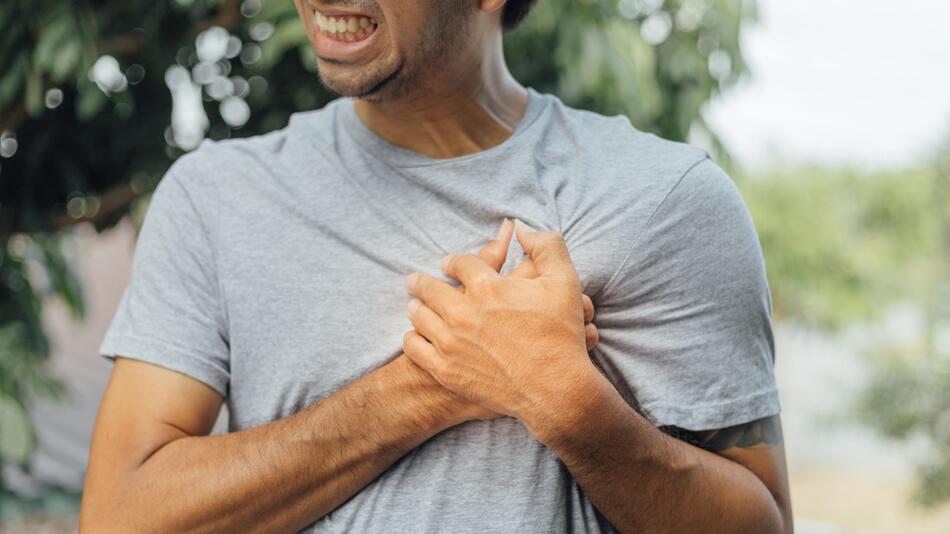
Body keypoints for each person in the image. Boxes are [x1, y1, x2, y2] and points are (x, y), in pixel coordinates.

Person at [80, 0, 793, 532]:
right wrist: (426, 389)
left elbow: (761, 523)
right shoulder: (216, 198)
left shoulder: (664, 202)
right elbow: (120, 517)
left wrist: (570, 406)